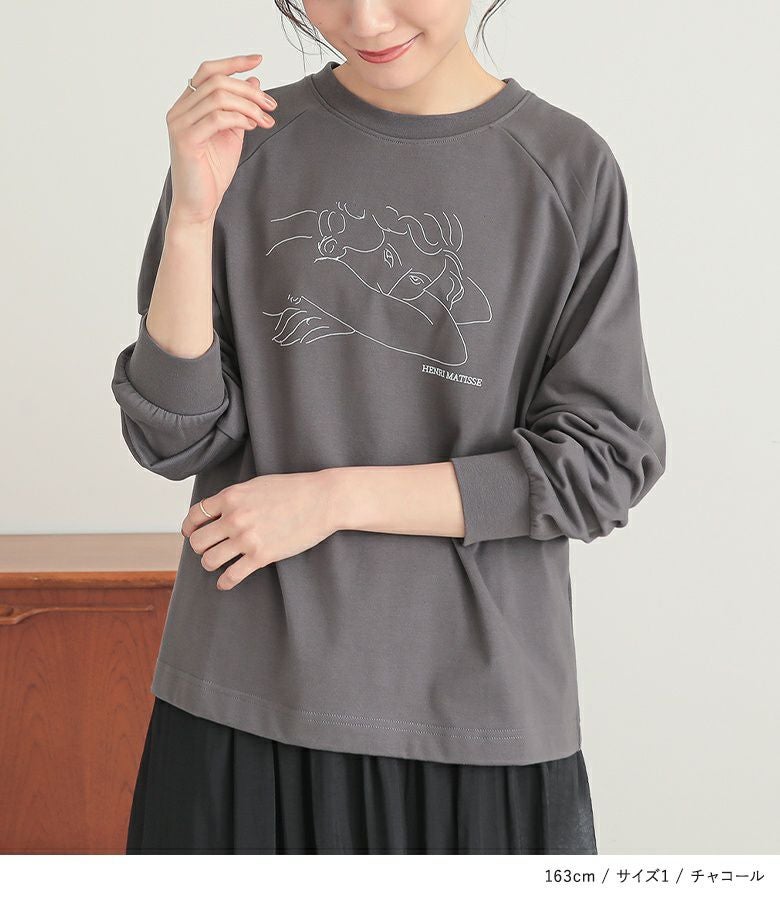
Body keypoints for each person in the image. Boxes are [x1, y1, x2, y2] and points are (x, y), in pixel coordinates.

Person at [113, 0, 667, 854]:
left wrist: (333, 499)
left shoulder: (566, 168)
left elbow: (602, 464)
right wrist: (191, 219)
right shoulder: (246, 147)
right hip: (243, 697)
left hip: (475, 717)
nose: (367, 20)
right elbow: (173, 436)